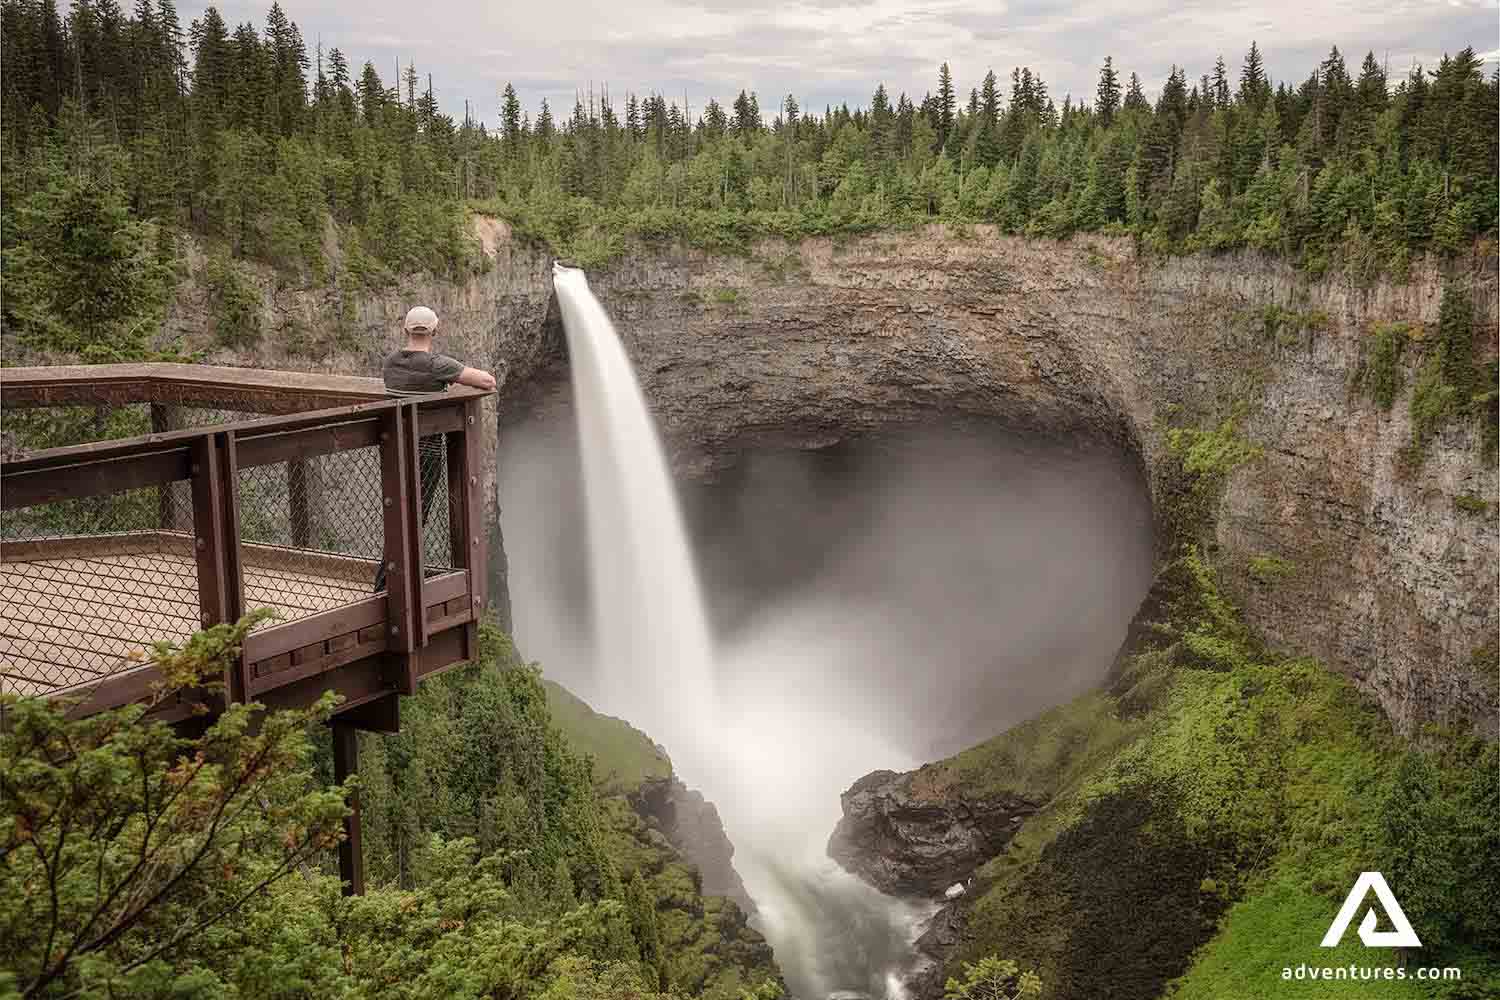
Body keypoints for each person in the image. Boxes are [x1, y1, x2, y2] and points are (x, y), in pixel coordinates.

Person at [373, 305, 496, 592]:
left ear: (405, 329)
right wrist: (446, 386)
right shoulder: (437, 365)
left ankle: (391, 581)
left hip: (393, 451)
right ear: (435, 331)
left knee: (399, 514)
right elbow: (487, 381)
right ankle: (387, 585)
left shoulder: (390, 363)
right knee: (415, 519)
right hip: (426, 456)